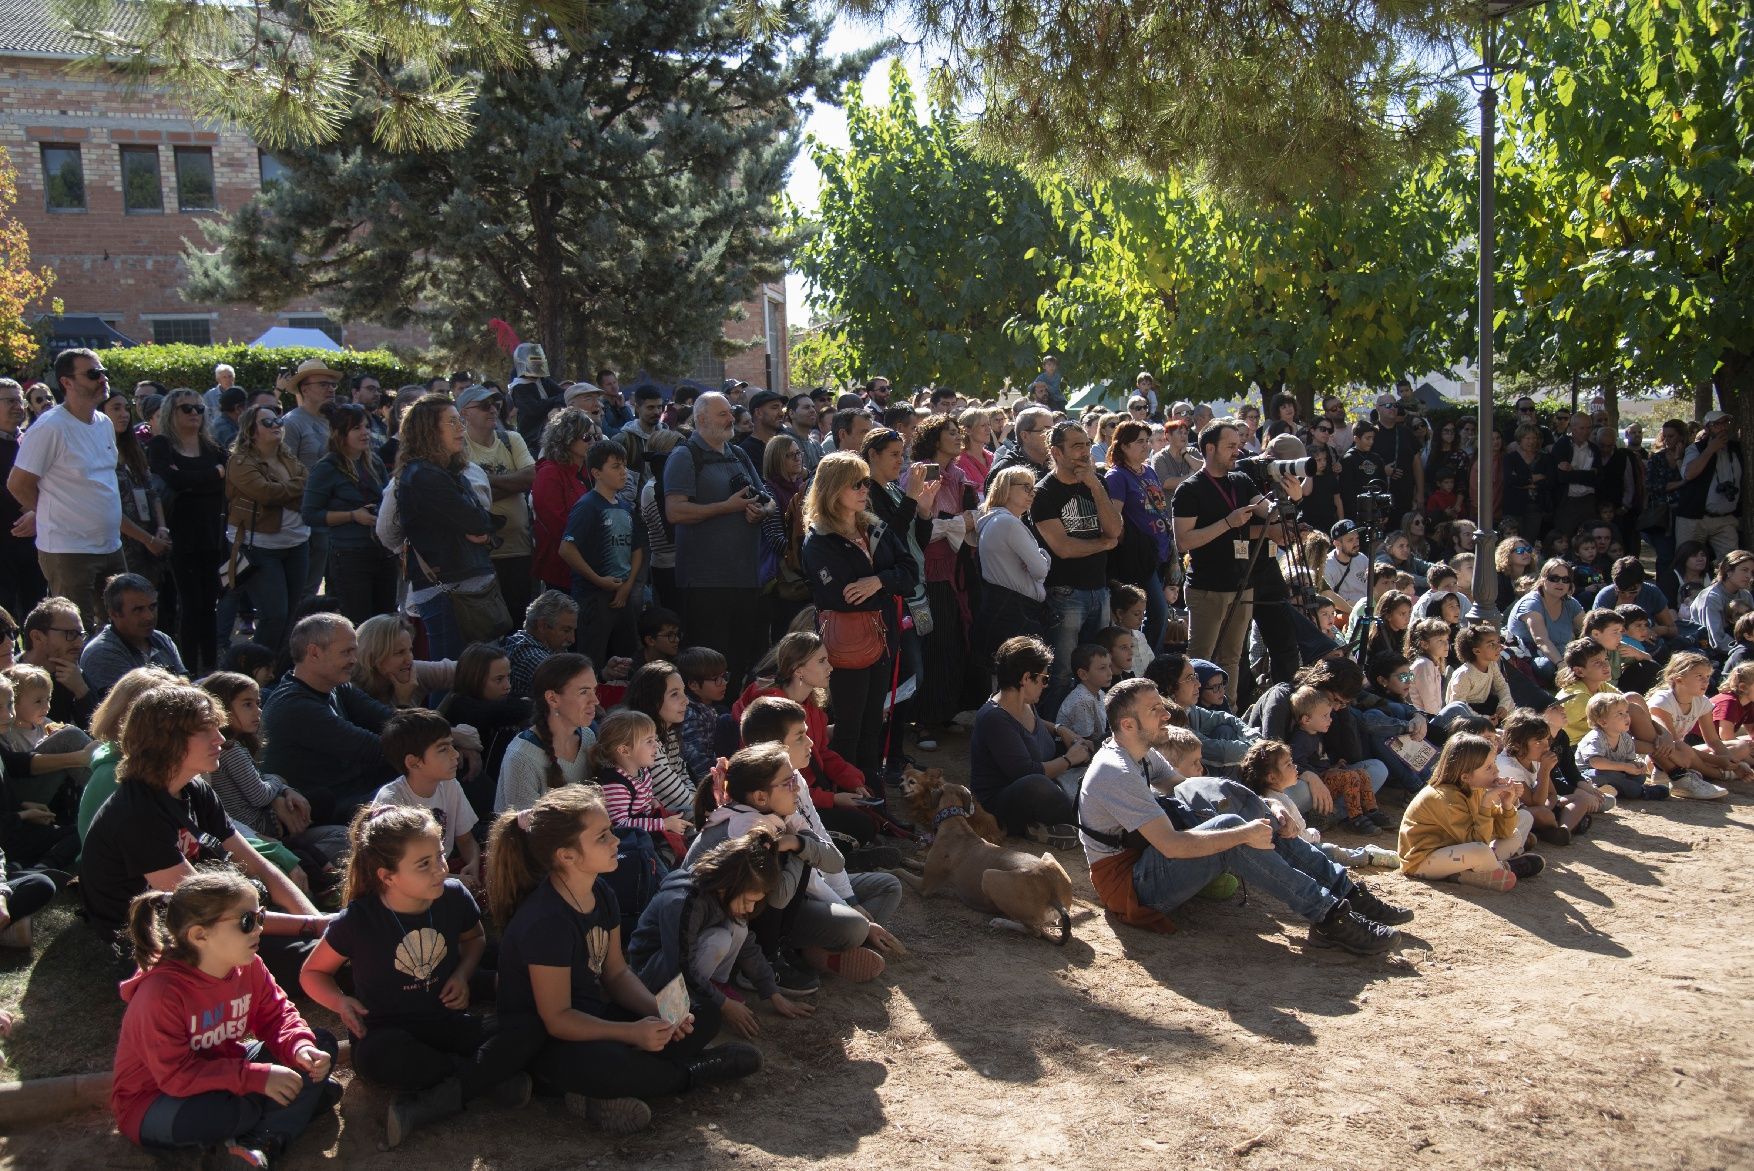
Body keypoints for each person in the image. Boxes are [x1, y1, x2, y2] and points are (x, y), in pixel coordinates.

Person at [488, 785, 757, 1135]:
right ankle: (690, 1073)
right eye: (602, 837)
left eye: (611, 831)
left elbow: (615, 973)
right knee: (609, 1063)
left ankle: (599, 1093)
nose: (616, 841)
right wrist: (630, 1033)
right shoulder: (546, 921)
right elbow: (556, 1020)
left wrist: (658, 1011)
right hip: (550, 1041)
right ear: (567, 856)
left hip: (594, 1018)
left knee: (698, 1013)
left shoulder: (600, 891)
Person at [1079, 677, 1406, 951]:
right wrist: (1243, 833)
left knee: (1238, 801)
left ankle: (1346, 891)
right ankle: (1329, 916)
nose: (1166, 714)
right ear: (1127, 724)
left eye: (1162, 705)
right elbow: (1172, 846)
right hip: (1129, 885)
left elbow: (1188, 787)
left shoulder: (1140, 753)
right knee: (1235, 829)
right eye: (1155, 710)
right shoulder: (1116, 770)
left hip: (1146, 860)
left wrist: (1269, 803)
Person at [300, 804, 542, 1146]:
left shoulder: (454, 896)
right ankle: (484, 1077)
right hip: (386, 1031)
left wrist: (462, 973)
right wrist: (340, 1001)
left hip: (446, 1020)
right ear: (387, 876)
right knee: (379, 1057)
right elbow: (312, 972)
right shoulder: (358, 920)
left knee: (529, 1025)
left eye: (440, 856)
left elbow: (475, 939)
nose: (440, 870)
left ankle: (440, 1097)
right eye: (424, 864)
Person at [80, 683, 328, 985]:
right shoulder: (137, 814)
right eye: (206, 730)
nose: (221, 739)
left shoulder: (193, 789)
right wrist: (310, 928)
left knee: (325, 944)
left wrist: (316, 920)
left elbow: (257, 864)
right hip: (159, 935)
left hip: (205, 917)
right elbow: (205, 907)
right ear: (166, 740)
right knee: (313, 958)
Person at [111, 870, 339, 1166]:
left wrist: (299, 1048)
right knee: (229, 1111)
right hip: (154, 1100)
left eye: (261, 917)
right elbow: (176, 1076)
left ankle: (259, 1143)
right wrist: (257, 1078)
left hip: (223, 1071)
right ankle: (278, 1122)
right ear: (199, 935)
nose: (259, 929)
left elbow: (277, 1015)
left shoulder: (249, 965)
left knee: (321, 1042)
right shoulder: (161, 993)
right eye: (247, 922)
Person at [627, 825, 815, 1040]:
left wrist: (773, 993)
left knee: (738, 928)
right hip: (653, 971)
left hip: (683, 962)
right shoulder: (685, 901)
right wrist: (724, 1005)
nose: (751, 908)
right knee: (718, 940)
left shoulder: (724, 893)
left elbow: (747, 946)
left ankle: (711, 989)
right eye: (748, 901)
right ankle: (690, 1002)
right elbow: (679, 964)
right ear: (730, 884)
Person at [801, 451, 917, 785]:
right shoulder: (819, 540)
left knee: (872, 725)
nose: (864, 488)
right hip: (847, 645)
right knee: (850, 728)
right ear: (834, 488)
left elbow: (910, 572)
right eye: (856, 483)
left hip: (883, 639)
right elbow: (841, 597)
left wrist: (877, 581)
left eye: (866, 481)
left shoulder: (875, 526)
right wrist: (886, 582)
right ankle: (849, 798)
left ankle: (873, 796)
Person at [7, 348, 127, 629]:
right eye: (93, 374)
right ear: (67, 383)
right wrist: (48, 512)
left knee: (121, 627)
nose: (103, 379)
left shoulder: (104, 423)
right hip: (69, 550)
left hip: (111, 545)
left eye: (103, 372)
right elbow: (18, 483)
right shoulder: (50, 427)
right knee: (76, 634)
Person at [665, 392, 772, 692]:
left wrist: (759, 511)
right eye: (722, 414)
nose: (730, 419)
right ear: (701, 420)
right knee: (708, 664)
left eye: (729, 413)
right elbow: (675, 511)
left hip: (745, 579)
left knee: (742, 661)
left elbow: (769, 501)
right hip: (705, 583)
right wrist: (726, 507)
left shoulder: (738, 454)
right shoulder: (684, 456)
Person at [394, 394, 505, 660]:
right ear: (429, 430)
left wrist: (486, 529)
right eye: (452, 423)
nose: (461, 429)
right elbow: (477, 520)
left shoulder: (449, 470)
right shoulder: (423, 475)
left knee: (481, 674)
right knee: (451, 676)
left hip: (471, 586)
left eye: (460, 422)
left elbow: (482, 520)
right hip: (447, 591)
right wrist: (484, 526)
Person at [261, 614, 395, 823]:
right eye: (346, 652)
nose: (354, 660)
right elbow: (372, 748)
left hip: (351, 791)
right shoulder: (294, 706)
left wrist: (448, 735)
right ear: (314, 652)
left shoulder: (336, 685)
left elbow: (387, 718)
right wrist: (436, 743)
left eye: (354, 651)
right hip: (322, 809)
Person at [1172, 420, 1270, 701]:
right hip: (1208, 588)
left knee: (1232, 659)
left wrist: (1290, 494)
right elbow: (1184, 541)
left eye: (1239, 446)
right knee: (1200, 660)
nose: (1237, 452)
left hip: (1242, 584)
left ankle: (1230, 712)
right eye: (1230, 446)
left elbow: (1267, 511)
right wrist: (1228, 523)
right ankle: (1191, 715)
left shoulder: (1240, 479)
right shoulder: (1189, 489)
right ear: (1210, 448)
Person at [1033, 422, 1123, 714]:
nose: (1084, 452)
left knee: (1099, 670)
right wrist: (1104, 544)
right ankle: (1057, 737)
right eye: (1076, 446)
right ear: (1056, 452)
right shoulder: (1044, 492)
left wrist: (1096, 486)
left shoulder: (1098, 483)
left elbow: (1114, 530)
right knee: (1061, 672)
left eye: (1086, 444)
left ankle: (1092, 729)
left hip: (1099, 589)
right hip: (1065, 593)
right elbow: (1064, 548)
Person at [968, 636, 1088, 836]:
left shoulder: (1025, 701)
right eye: (1044, 679)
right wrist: (1069, 759)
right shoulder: (995, 718)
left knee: (1095, 743)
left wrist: (1060, 729)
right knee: (1037, 785)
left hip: (1043, 777)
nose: (1045, 685)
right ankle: (1086, 819)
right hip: (1003, 801)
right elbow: (1026, 772)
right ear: (1025, 679)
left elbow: (1034, 726)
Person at [145, 390, 228, 675]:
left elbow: (221, 483)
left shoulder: (212, 447)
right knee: (190, 606)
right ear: (171, 412)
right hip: (180, 536)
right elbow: (173, 480)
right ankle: (188, 669)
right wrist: (211, 475)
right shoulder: (161, 445)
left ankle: (211, 667)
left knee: (210, 605)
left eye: (199, 409)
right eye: (186, 408)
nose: (194, 413)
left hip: (212, 535)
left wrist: (194, 481)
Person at [1398, 733, 1542, 891]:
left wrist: (1507, 804)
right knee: (1480, 851)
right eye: (1488, 767)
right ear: (1465, 777)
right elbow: (1476, 841)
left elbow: (1504, 832)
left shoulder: (1476, 789)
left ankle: (1470, 874)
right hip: (1422, 862)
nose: (1496, 770)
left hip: (1456, 852)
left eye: (1494, 763)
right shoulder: (1443, 797)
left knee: (1514, 836)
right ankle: (1502, 868)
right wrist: (1487, 803)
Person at [224, 404, 313, 652]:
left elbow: (308, 483)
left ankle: (280, 671)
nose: (276, 426)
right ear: (251, 431)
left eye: (277, 421)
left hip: (297, 543)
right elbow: (265, 493)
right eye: (267, 422)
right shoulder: (240, 461)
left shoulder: (287, 455)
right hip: (260, 547)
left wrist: (284, 491)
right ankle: (257, 669)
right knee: (274, 615)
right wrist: (293, 489)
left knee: (292, 615)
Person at [302, 403, 396, 626]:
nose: (364, 433)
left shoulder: (373, 461)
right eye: (356, 428)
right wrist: (352, 515)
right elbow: (310, 514)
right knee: (359, 622)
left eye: (365, 426)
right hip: (349, 554)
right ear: (340, 433)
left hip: (382, 551)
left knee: (384, 622)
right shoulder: (326, 467)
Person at [372, 708, 482, 887]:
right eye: (443, 749)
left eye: (452, 746)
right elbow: (399, 870)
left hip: (444, 872)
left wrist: (473, 863)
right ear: (413, 762)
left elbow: (466, 840)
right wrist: (450, 881)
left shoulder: (449, 784)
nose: (455, 754)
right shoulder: (391, 801)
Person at [562, 441, 646, 669]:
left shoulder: (626, 506)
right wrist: (598, 580)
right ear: (596, 473)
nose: (624, 472)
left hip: (622, 595)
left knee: (627, 660)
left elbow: (637, 549)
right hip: (593, 596)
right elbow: (567, 549)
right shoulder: (588, 506)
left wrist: (628, 585)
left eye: (625, 466)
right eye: (616, 466)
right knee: (593, 660)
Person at [456, 384, 537, 619]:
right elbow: (463, 493)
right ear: (464, 413)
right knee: (486, 624)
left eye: (495, 404)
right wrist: (513, 484)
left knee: (518, 619)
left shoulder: (512, 438)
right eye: (483, 405)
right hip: (481, 556)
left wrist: (483, 483)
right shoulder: (458, 446)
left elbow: (532, 477)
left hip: (519, 550)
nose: (492, 409)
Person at [496, 653, 600, 814]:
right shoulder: (521, 758)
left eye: (594, 690)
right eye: (584, 692)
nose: (595, 700)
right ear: (552, 698)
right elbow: (523, 832)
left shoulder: (587, 736)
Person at [436, 643, 531, 816]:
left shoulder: (496, 701)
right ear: (475, 679)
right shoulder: (461, 706)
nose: (507, 686)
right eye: (498, 679)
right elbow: (506, 711)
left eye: (508, 677)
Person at [79, 573, 187, 696]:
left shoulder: (162, 639)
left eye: (152, 607)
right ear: (114, 614)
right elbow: (135, 706)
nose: (149, 617)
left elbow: (186, 685)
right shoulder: (102, 653)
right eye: (138, 610)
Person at [531, 407, 597, 599]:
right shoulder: (549, 473)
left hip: (589, 565)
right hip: (561, 570)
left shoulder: (586, 472)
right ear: (567, 438)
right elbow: (558, 525)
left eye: (594, 437)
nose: (592, 442)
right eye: (586, 437)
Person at [0, 379, 47, 623]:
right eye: (9, 401)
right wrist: (30, 507)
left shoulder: (31, 440)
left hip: (36, 542)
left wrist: (37, 513)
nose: (18, 406)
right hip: (3, 545)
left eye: (20, 400)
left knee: (37, 614)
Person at [1577, 692, 1669, 802]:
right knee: (1609, 775)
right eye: (1620, 714)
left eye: (1626, 712)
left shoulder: (1625, 737)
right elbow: (1596, 763)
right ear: (1603, 722)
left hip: (1617, 772)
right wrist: (1625, 767)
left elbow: (1628, 760)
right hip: (1588, 774)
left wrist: (1636, 765)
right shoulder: (1595, 738)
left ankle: (1612, 790)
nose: (1626, 716)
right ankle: (1641, 792)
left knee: (1639, 777)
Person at [20, 595, 96, 727]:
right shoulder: (10, 677)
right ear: (37, 637)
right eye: (70, 634)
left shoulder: (74, 674)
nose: (79, 643)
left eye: (81, 635)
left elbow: (99, 731)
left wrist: (82, 692)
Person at [1675, 410, 1743, 557]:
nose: (1723, 427)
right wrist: (1710, 450)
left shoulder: (1737, 449)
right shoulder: (1696, 448)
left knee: (1732, 563)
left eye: (1726, 423)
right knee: (1688, 561)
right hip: (1695, 518)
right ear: (1707, 428)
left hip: (1726, 519)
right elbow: (1689, 474)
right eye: (1717, 424)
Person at [1508, 558, 1583, 680]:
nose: (1560, 583)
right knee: (1547, 666)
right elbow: (1541, 640)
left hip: (1563, 655)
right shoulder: (1531, 603)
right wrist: (1561, 664)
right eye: (1554, 578)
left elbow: (1589, 629)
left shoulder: (1571, 603)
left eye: (1565, 580)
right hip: (1530, 657)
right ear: (1543, 579)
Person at [502, 590, 579, 699]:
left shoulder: (549, 646)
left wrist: (603, 675)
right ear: (542, 626)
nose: (572, 639)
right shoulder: (532, 657)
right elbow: (573, 696)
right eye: (566, 630)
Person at [1688, 548, 1754, 651]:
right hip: (1709, 651)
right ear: (1728, 571)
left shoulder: (1746, 595)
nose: (1749, 576)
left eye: (1752, 572)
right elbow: (1716, 640)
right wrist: (1743, 650)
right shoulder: (1711, 597)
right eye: (1744, 570)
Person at [988, 405, 1053, 481]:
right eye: (1047, 431)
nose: (1052, 435)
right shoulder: (1005, 472)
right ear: (1025, 436)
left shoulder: (1059, 463)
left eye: (1053, 430)